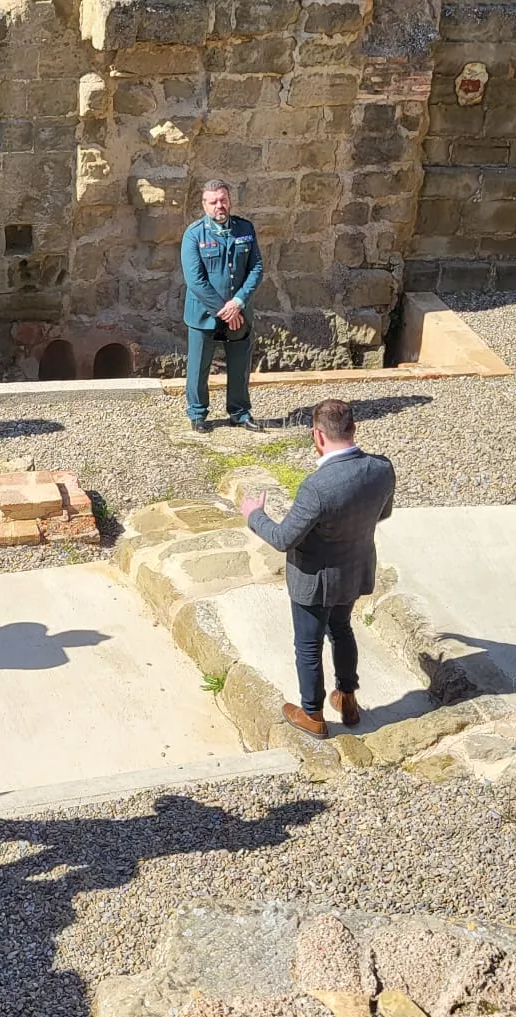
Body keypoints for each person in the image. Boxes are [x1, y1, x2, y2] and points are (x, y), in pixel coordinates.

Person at [240, 399, 395, 737]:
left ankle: (312, 714)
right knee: (341, 630)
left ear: (317, 435)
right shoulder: (382, 468)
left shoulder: (317, 487)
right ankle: (348, 699)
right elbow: (382, 514)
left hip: (315, 581)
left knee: (308, 646)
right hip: (354, 570)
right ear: (353, 429)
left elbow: (283, 538)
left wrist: (254, 514)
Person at [182, 180, 266, 434]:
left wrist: (238, 303)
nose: (220, 205)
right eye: (213, 201)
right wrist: (224, 309)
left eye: (223, 199)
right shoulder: (194, 234)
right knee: (199, 367)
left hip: (239, 312)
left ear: (229, 200)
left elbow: (256, 267)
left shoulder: (245, 229)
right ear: (204, 205)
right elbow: (195, 280)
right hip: (204, 313)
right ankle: (197, 414)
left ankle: (239, 413)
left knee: (240, 365)